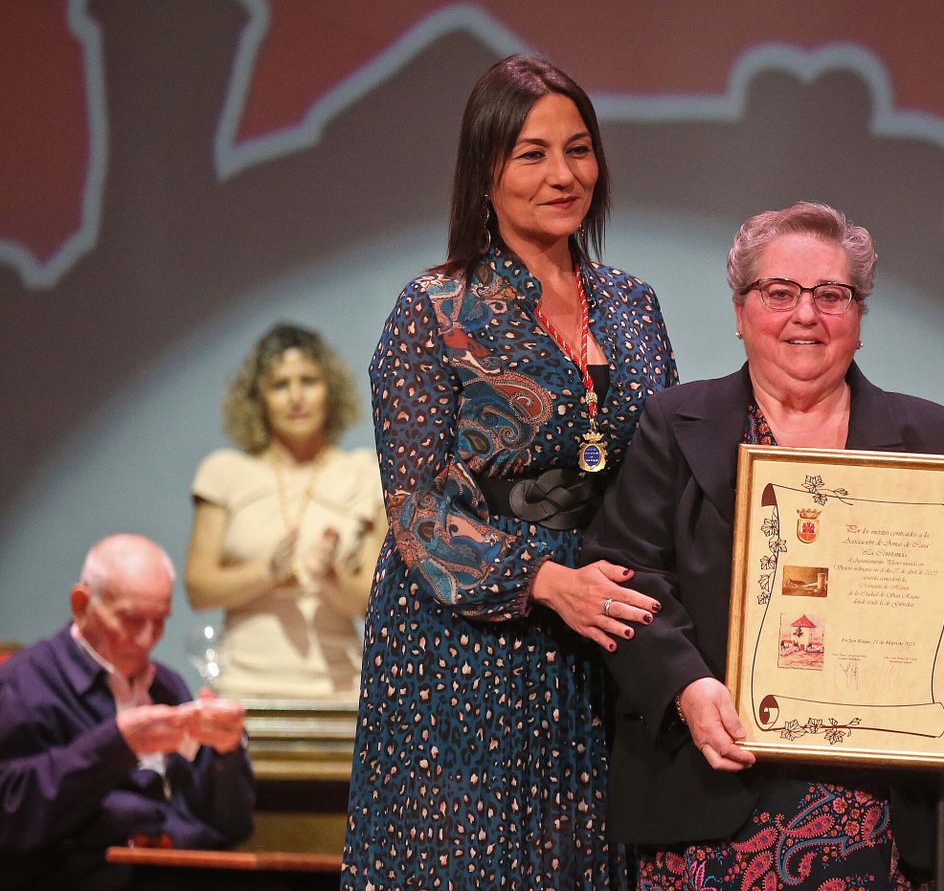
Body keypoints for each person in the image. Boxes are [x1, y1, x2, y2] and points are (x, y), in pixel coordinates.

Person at [573, 202, 944, 890]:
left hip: (885, 818)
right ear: (740, 311)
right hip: (707, 794)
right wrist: (688, 688)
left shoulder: (941, 443)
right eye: (779, 293)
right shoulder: (674, 424)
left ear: (859, 317)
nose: (806, 316)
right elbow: (625, 575)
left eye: (831, 296)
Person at [341, 54, 676, 891]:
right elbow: (417, 516)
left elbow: (659, 469)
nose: (563, 175)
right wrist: (545, 579)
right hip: (464, 649)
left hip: (602, 638)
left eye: (579, 149)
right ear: (485, 172)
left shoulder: (632, 302)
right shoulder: (435, 310)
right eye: (532, 154)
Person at [0, 534, 253, 889]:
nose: (148, 638)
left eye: (160, 619)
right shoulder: (23, 682)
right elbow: (11, 816)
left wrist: (227, 753)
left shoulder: (167, 687)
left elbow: (233, 827)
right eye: (132, 619)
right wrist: (116, 745)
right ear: (81, 604)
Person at [186, 323, 384, 701]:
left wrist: (331, 578)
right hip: (244, 690)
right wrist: (267, 573)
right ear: (257, 399)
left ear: (331, 390)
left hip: (341, 691)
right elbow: (198, 588)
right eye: (280, 385)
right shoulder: (225, 472)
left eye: (308, 381)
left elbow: (373, 604)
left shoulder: (364, 473)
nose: (296, 397)